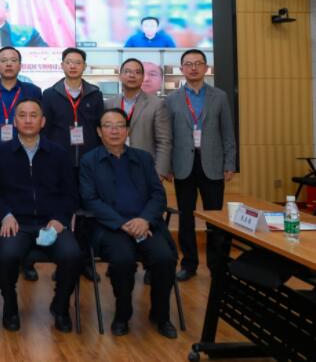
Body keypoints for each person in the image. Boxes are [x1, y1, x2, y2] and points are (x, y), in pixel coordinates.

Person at [0, 98, 81, 333]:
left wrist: (60, 219)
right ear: (15, 122)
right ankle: (10, 305)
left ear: (43, 121)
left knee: (72, 255)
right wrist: (5, 214)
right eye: (22, 115)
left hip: (51, 223)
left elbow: (71, 194)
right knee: (5, 257)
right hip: (17, 223)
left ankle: (60, 306)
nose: (28, 120)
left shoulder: (59, 153)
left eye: (33, 115)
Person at [80, 108, 178, 338]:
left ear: (128, 130)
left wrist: (144, 219)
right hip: (110, 228)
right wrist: (122, 223)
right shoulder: (89, 161)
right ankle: (122, 314)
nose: (114, 131)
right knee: (122, 260)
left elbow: (158, 195)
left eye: (120, 126)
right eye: (108, 126)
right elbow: (89, 199)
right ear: (99, 131)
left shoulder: (143, 158)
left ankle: (161, 315)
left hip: (146, 225)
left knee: (164, 258)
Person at [165, 49, 236, 281]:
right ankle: (189, 264)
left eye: (198, 63)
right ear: (182, 69)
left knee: (215, 218)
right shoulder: (171, 99)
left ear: (206, 68)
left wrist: (230, 162)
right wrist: (167, 165)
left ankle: (217, 265)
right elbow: (168, 136)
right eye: (188, 64)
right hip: (183, 165)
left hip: (213, 164)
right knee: (186, 218)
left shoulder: (220, 96)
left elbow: (228, 132)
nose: (193, 68)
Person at [0, 46, 42, 280]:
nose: (9, 64)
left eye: (13, 60)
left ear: (20, 65)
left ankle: (28, 261)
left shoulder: (32, 91)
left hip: (27, 156)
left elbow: (37, 122)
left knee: (28, 205)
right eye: (4, 60)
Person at [42, 47, 104, 281]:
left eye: (78, 62)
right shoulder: (50, 94)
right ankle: (63, 263)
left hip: (89, 164)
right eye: (69, 62)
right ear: (62, 65)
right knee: (61, 212)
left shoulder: (95, 94)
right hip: (59, 163)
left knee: (88, 213)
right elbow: (45, 130)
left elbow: (100, 129)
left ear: (84, 67)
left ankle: (86, 262)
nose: (73, 66)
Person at [105, 58, 172, 180]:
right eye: (127, 71)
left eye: (137, 72)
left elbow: (164, 141)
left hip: (145, 170)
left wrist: (159, 173)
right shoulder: (109, 104)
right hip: (113, 168)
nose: (132, 75)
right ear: (120, 76)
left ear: (142, 78)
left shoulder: (156, 104)